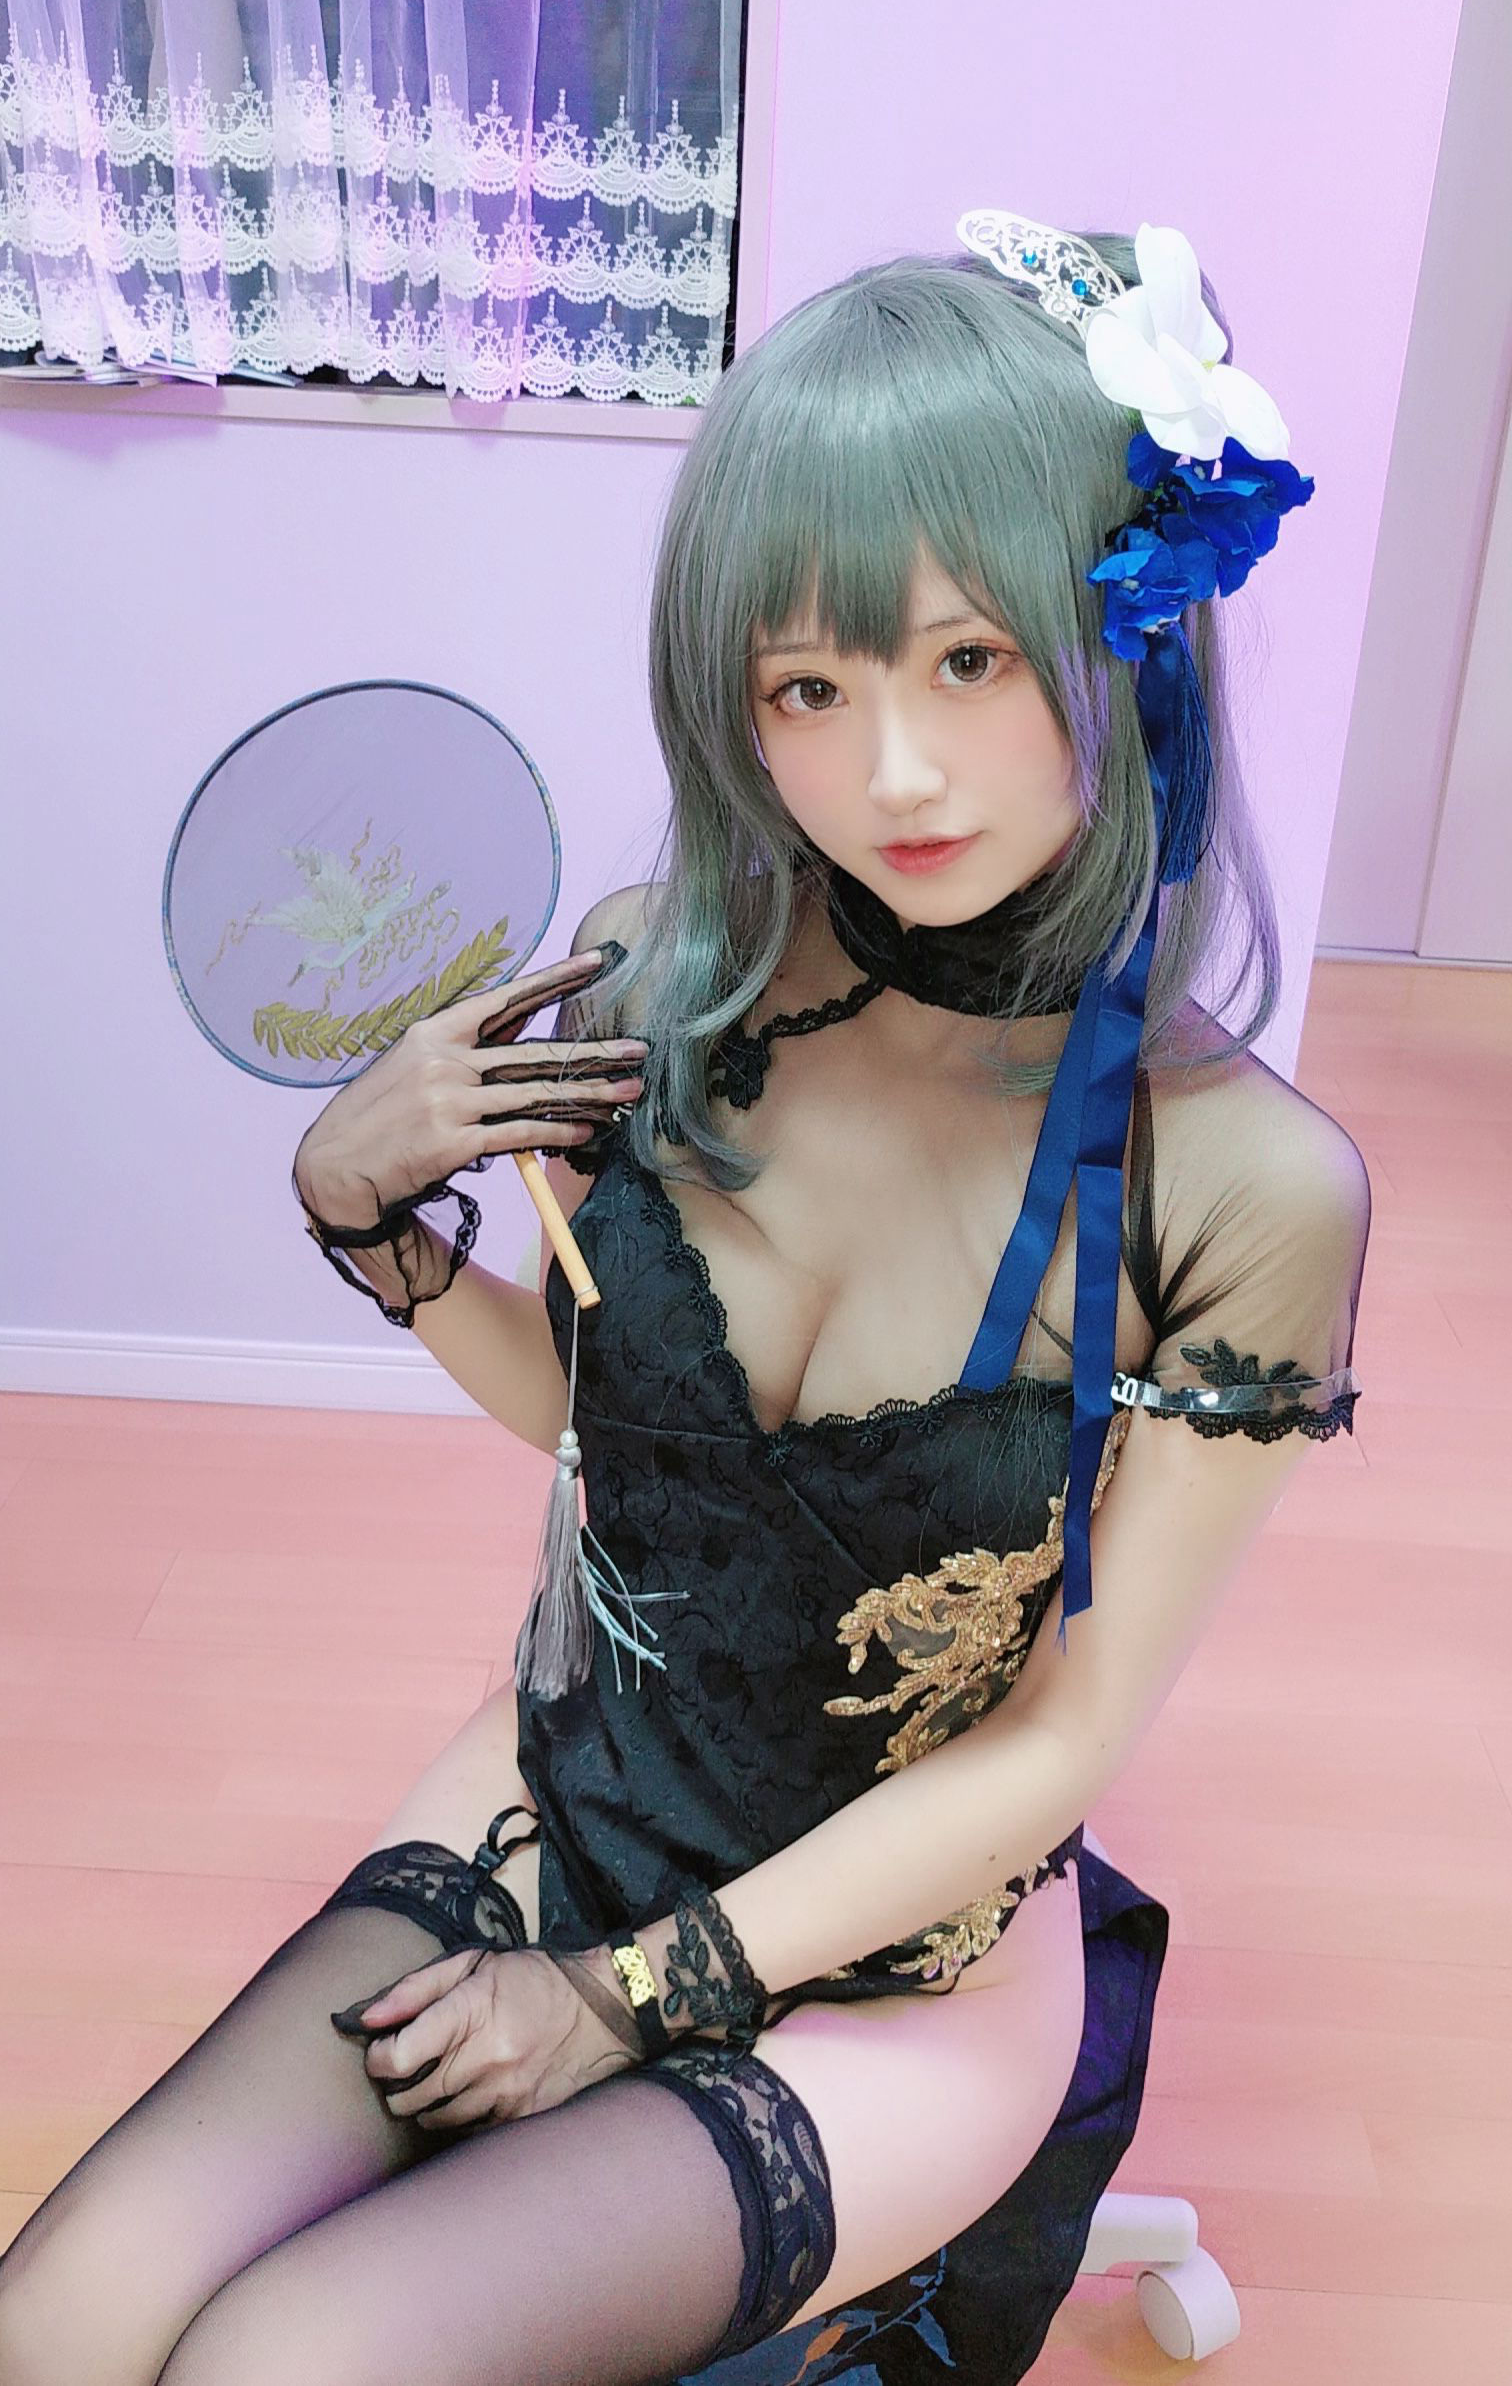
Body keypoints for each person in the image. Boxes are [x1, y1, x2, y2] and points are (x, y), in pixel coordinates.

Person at [0, 219, 1370, 2386]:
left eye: (969, 661)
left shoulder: (1246, 1187)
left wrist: (617, 2003)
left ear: (1127, 640)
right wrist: (375, 1232)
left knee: (294, 2363)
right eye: (808, 687)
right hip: (572, 1787)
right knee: (64, 2323)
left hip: (894, 1970)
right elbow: (614, 1437)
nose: (890, 771)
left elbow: (1058, 1739)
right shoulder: (668, 983)